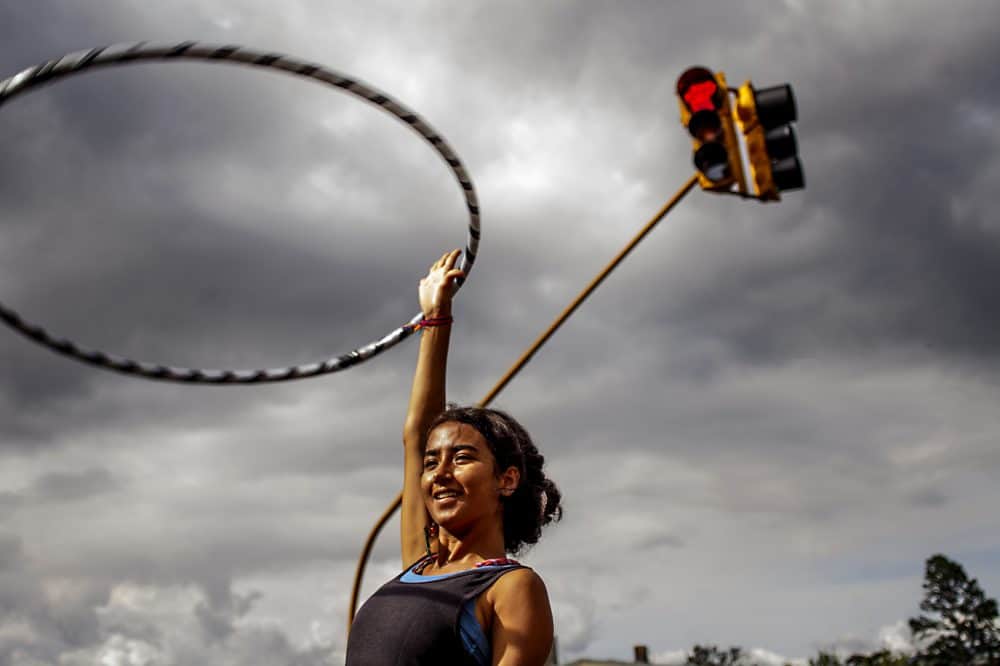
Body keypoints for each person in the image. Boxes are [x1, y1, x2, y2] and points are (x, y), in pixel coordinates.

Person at [346, 249, 563, 666]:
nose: (440, 473)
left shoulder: (512, 587)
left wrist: (439, 320)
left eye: (461, 457)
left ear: (507, 479)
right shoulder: (419, 564)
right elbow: (417, 433)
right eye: (431, 463)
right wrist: (433, 316)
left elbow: (419, 431)